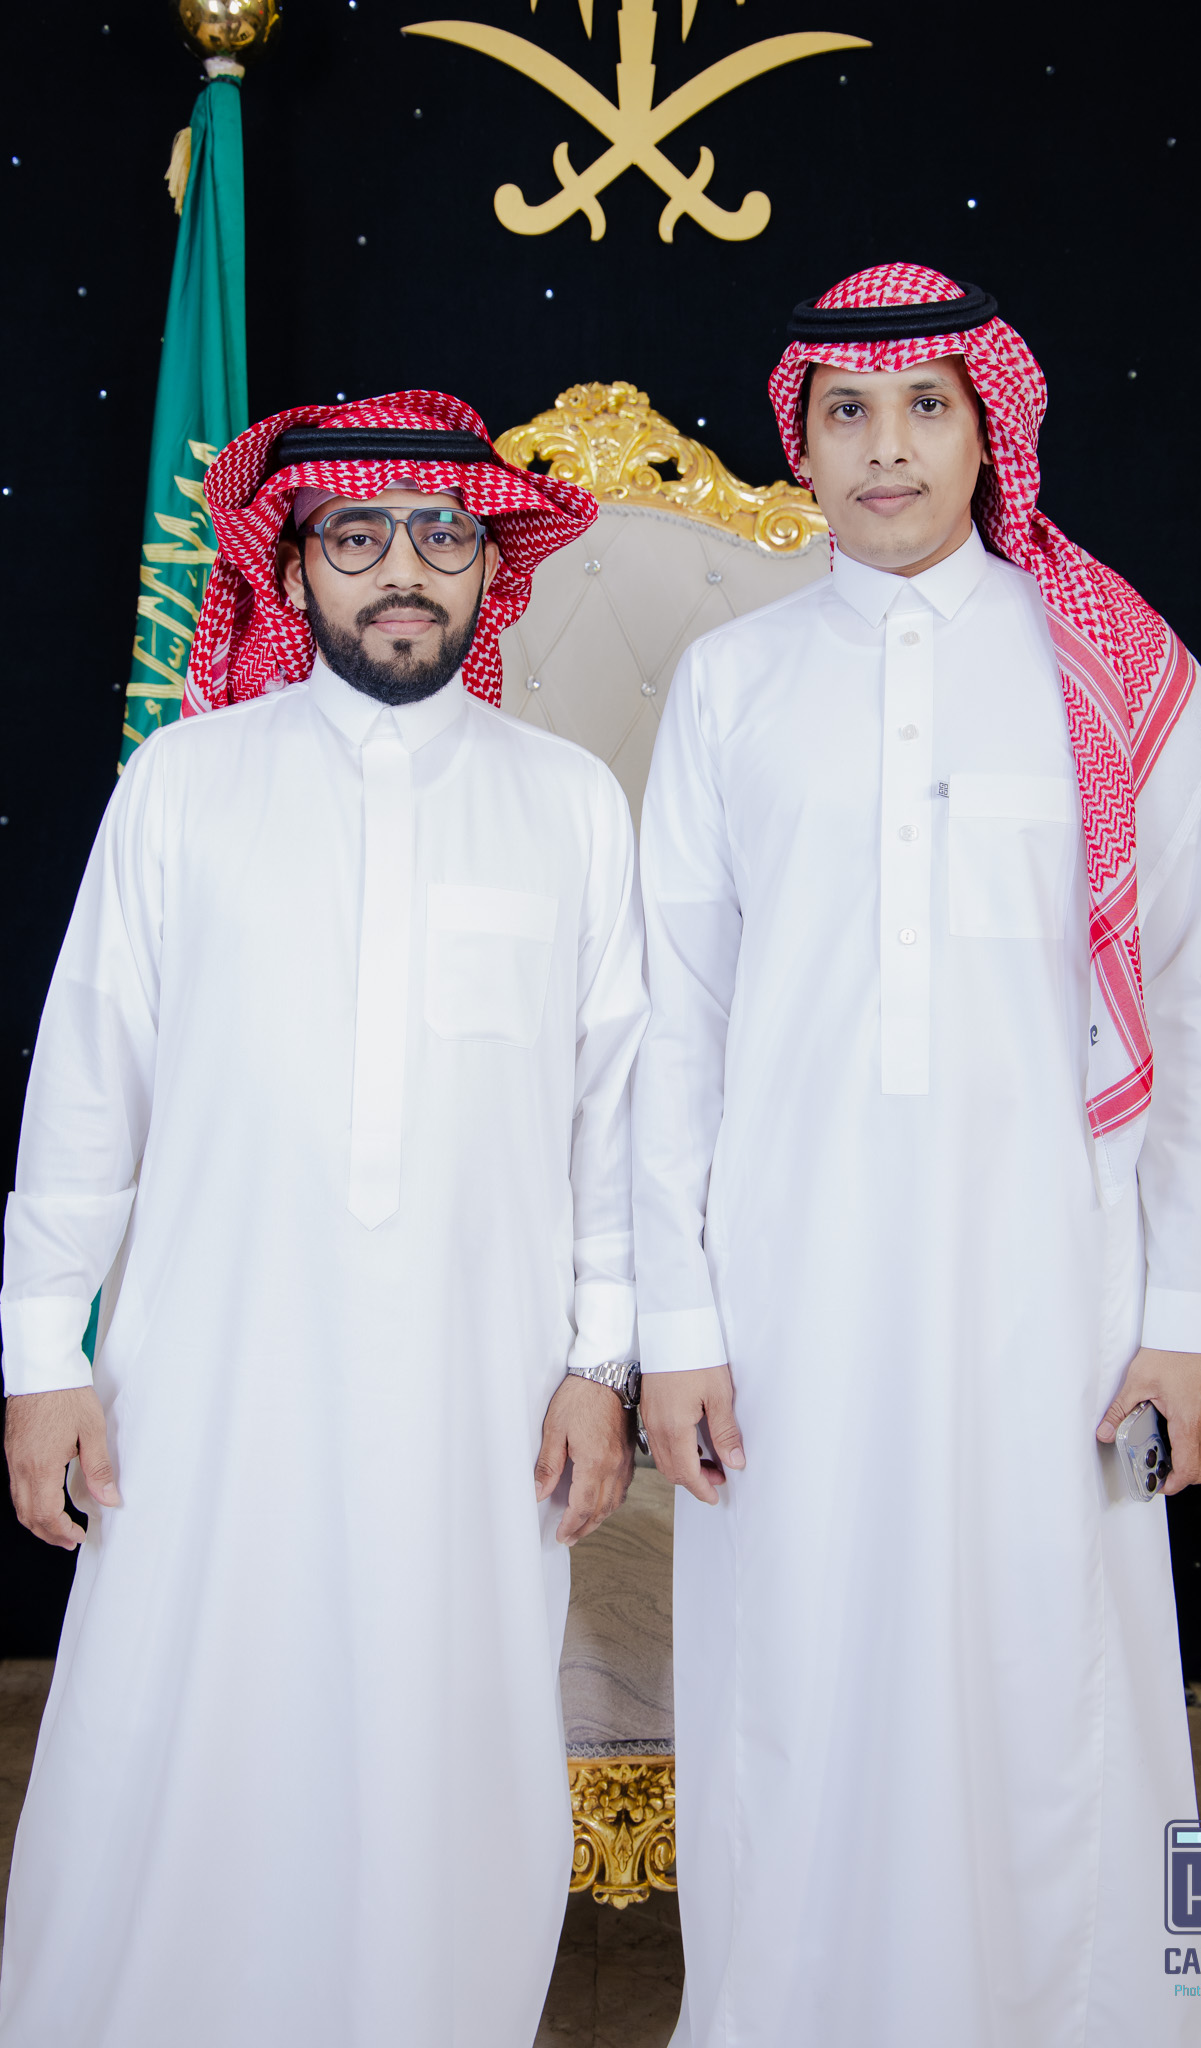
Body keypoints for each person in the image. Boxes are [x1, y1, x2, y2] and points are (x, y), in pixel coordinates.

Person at [631, 266, 1201, 2046]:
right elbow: (673, 1025)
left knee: (1068, 1675)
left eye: (925, 407)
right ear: (800, 444)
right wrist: (676, 1326)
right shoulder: (731, 684)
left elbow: (1191, 1012)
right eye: (846, 411)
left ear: (992, 433)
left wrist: (1194, 1317)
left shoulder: (1109, 669)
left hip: (1057, 1284)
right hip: (786, 1289)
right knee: (792, 1682)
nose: (885, 448)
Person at [0, 391, 648, 2047]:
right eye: (357, 538)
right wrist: (43, 1357)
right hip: (208, 1379)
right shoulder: (184, 784)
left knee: (447, 1743)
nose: (403, 571)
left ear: (489, 566)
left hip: (478, 1393)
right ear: (289, 570)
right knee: (177, 1728)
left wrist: (601, 1366)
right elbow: (88, 1088)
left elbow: (616, 1119)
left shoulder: (568, 801)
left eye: (440, 536)